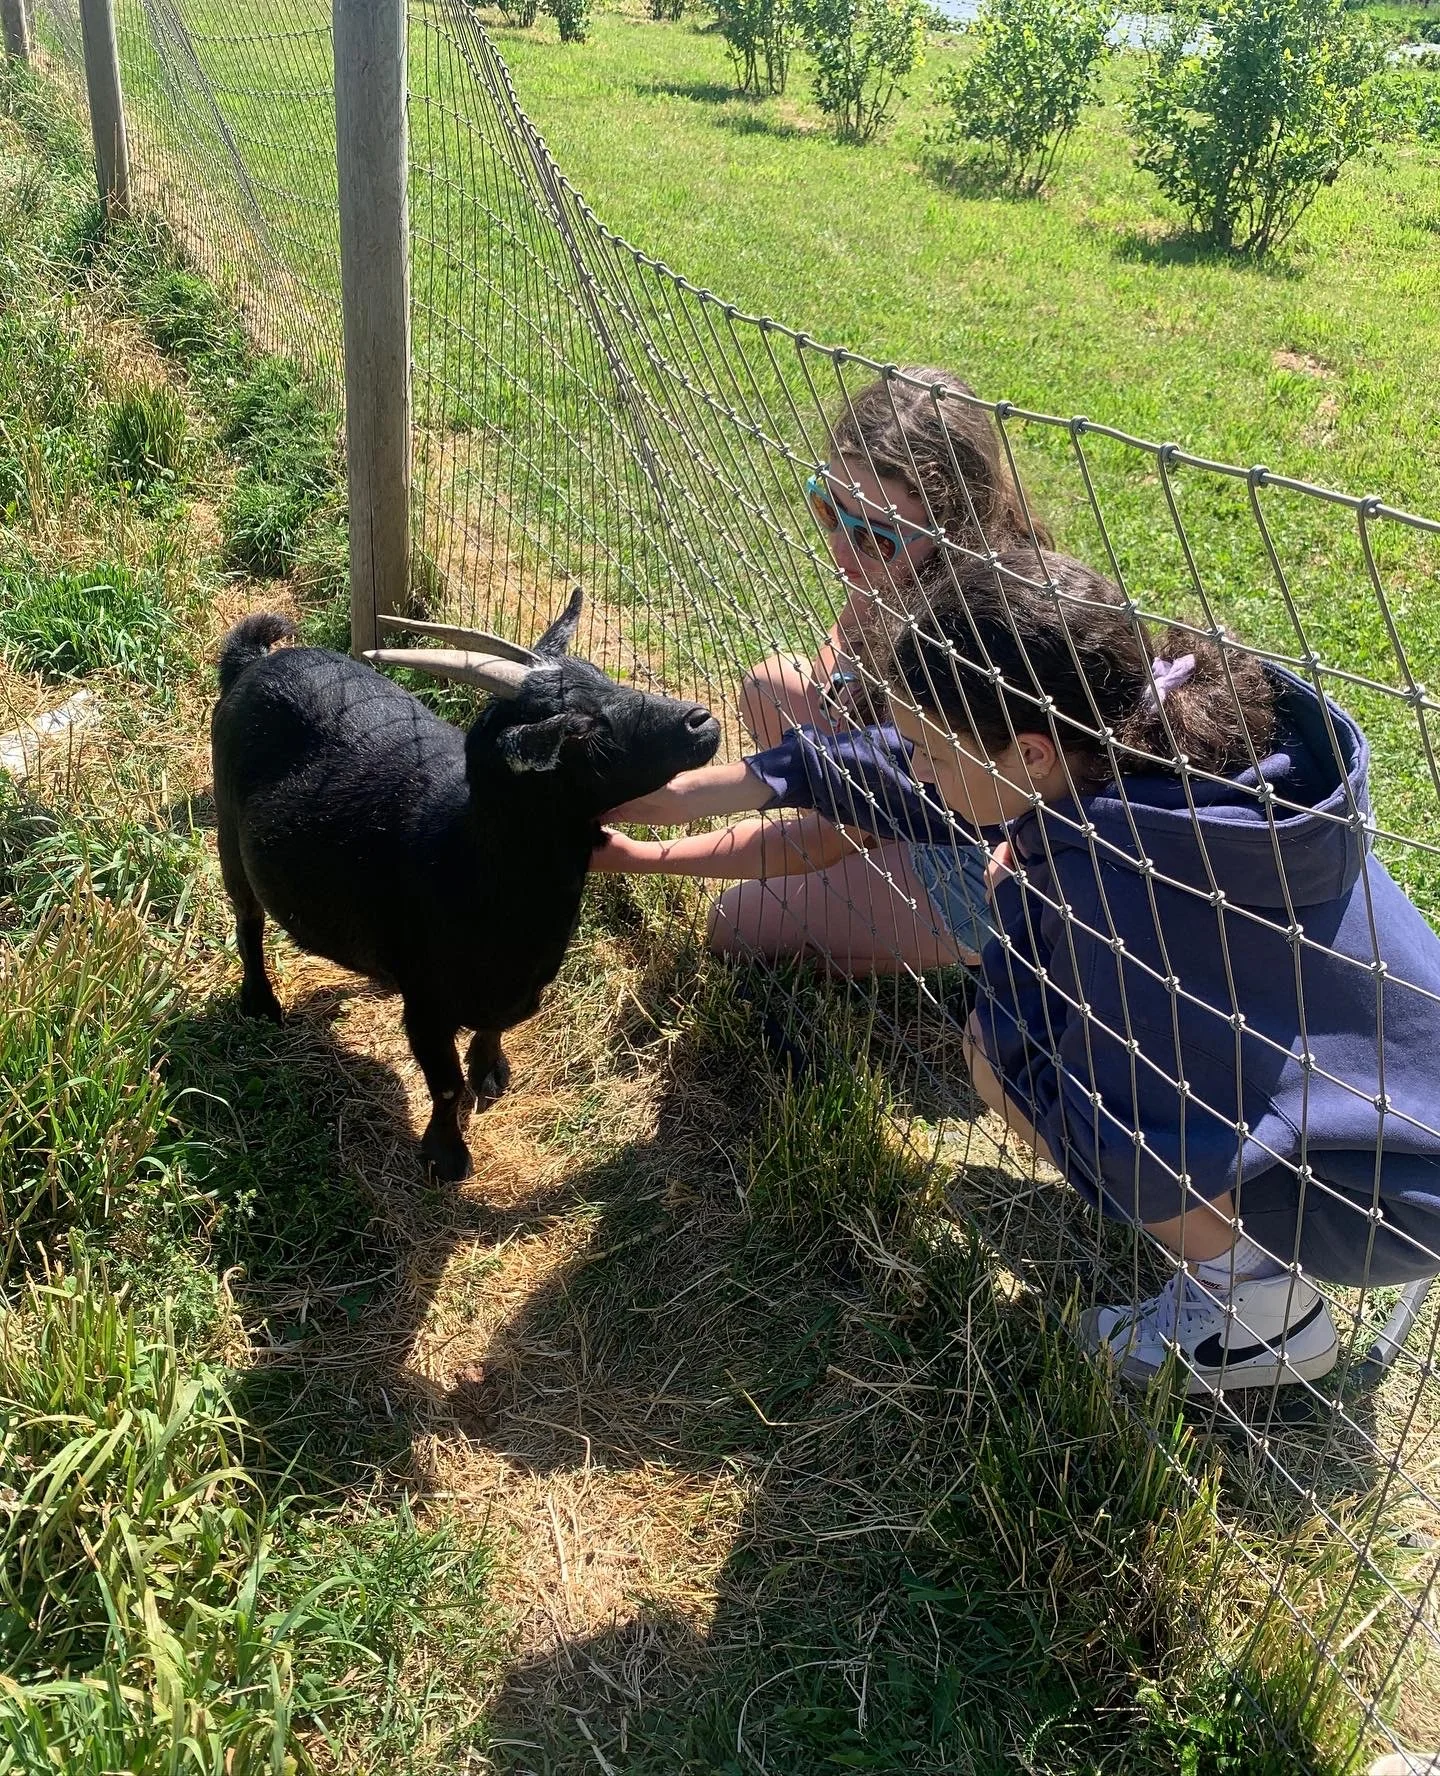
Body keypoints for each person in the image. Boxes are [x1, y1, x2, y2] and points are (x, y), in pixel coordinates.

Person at [596, 549, 1440, 1394]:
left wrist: (1020, 912)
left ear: (1031, 756)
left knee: (1000, 1063)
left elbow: (1107, 1106)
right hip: (1404, 1115)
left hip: (1383, 1209)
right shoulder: (1168, 742)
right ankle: (1226, 1239)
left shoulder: (1100, 887)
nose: (915, 765)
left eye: (929, 747)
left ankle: (1259, 1311)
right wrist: (673, 804)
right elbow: (892, 766)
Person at [725, 367, 1050, 972]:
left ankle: (964, 950)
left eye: (876, 537)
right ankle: (853, 876)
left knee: (732, 923)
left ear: (953, 528)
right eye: (830, 509)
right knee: (773, 685)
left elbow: (874, 790)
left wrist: (634, 853)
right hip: (906, 801)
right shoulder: (899, 569)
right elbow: (838, 658)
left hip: (971, 866)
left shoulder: (970, 617)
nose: (844, 554)